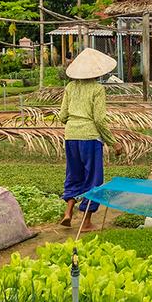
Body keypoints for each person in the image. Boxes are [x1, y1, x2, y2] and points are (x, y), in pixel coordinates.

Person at [59, 48, 121, 231]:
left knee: (73, 174)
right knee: (93, 178)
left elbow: (63, 116)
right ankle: (86, 222)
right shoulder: (97, 89)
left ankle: (68, 212)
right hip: (90, 137)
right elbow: (99, 119)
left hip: (71, 136)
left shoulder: (70, 87)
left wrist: (74, 120)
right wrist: (113, 142)